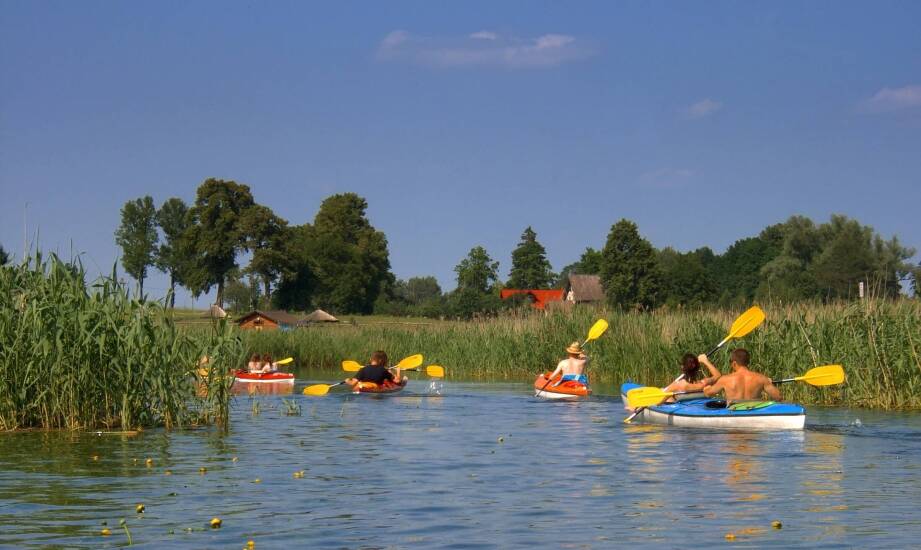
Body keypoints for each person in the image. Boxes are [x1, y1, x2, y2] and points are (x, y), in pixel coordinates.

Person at [701, 348, 781, 403]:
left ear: (734, 363)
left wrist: (706, 389)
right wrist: (768, 382)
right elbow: (778, 397)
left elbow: (708, 393)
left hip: (734, 412)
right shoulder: (761, 378)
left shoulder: (725, 379)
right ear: (747, 362)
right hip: (753, 412)